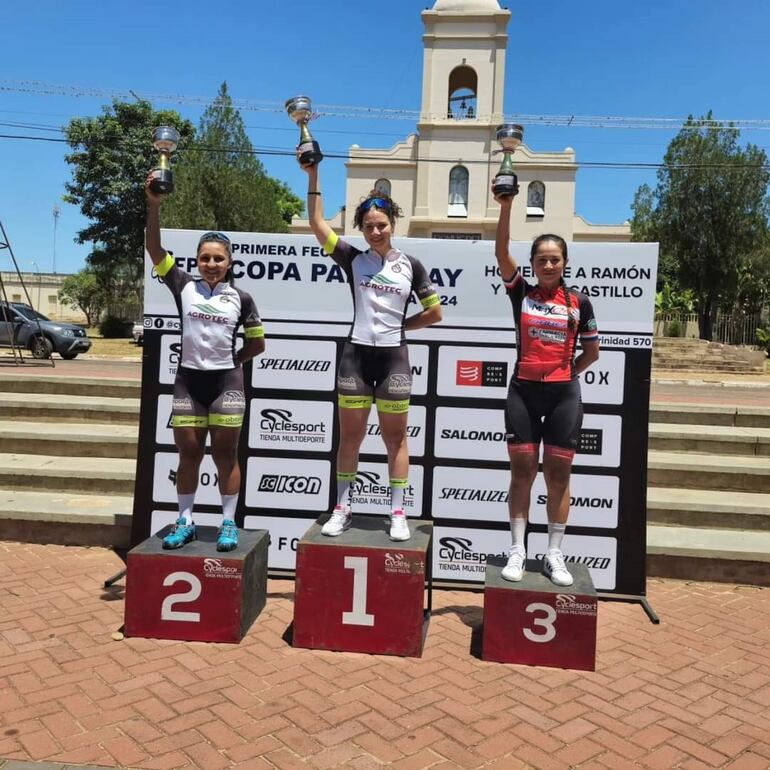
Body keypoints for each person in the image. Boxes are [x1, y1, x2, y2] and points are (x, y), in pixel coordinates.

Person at [300, 161, 442, 541]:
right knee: (351, 438)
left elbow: (435, 313)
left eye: (381, 225)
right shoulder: (352, 258)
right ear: (360, 230)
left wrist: (402, 327)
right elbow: (317, 225)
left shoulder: (411, 265)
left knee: (396, 439)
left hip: (394, 358)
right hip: (356, 358)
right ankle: (342, 508)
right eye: (368, 227)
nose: (376, 232)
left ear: (393, 224)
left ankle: (397, 512)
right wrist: (313, 177)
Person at [144, 173, 265, 552]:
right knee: (189, 454)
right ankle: (186, 520)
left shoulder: (241, 298)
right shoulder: (183, 285)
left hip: (226, 384)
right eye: (205, 258)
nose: (211, 264)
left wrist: (230, 361)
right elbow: (152, 247)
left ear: (229, 263)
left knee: (226, 454)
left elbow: (257, 344)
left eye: (218, 258)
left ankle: (228, 523)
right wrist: (153, 204)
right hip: (188, 385)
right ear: (196, 261)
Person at [493, 188, 600, 586]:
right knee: (522, 472)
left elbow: (592, 353)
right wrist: (505, 208)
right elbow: (502, 253)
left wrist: (566, 372)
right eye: (541, 259)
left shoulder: (579, 302)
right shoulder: (520, 292)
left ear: (565, 263)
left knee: (558, 475)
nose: (549, 264)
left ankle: (554, 554)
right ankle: (517, 551)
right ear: (533, 264)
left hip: (562, 394)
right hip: (523, 390)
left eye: (555, 259)